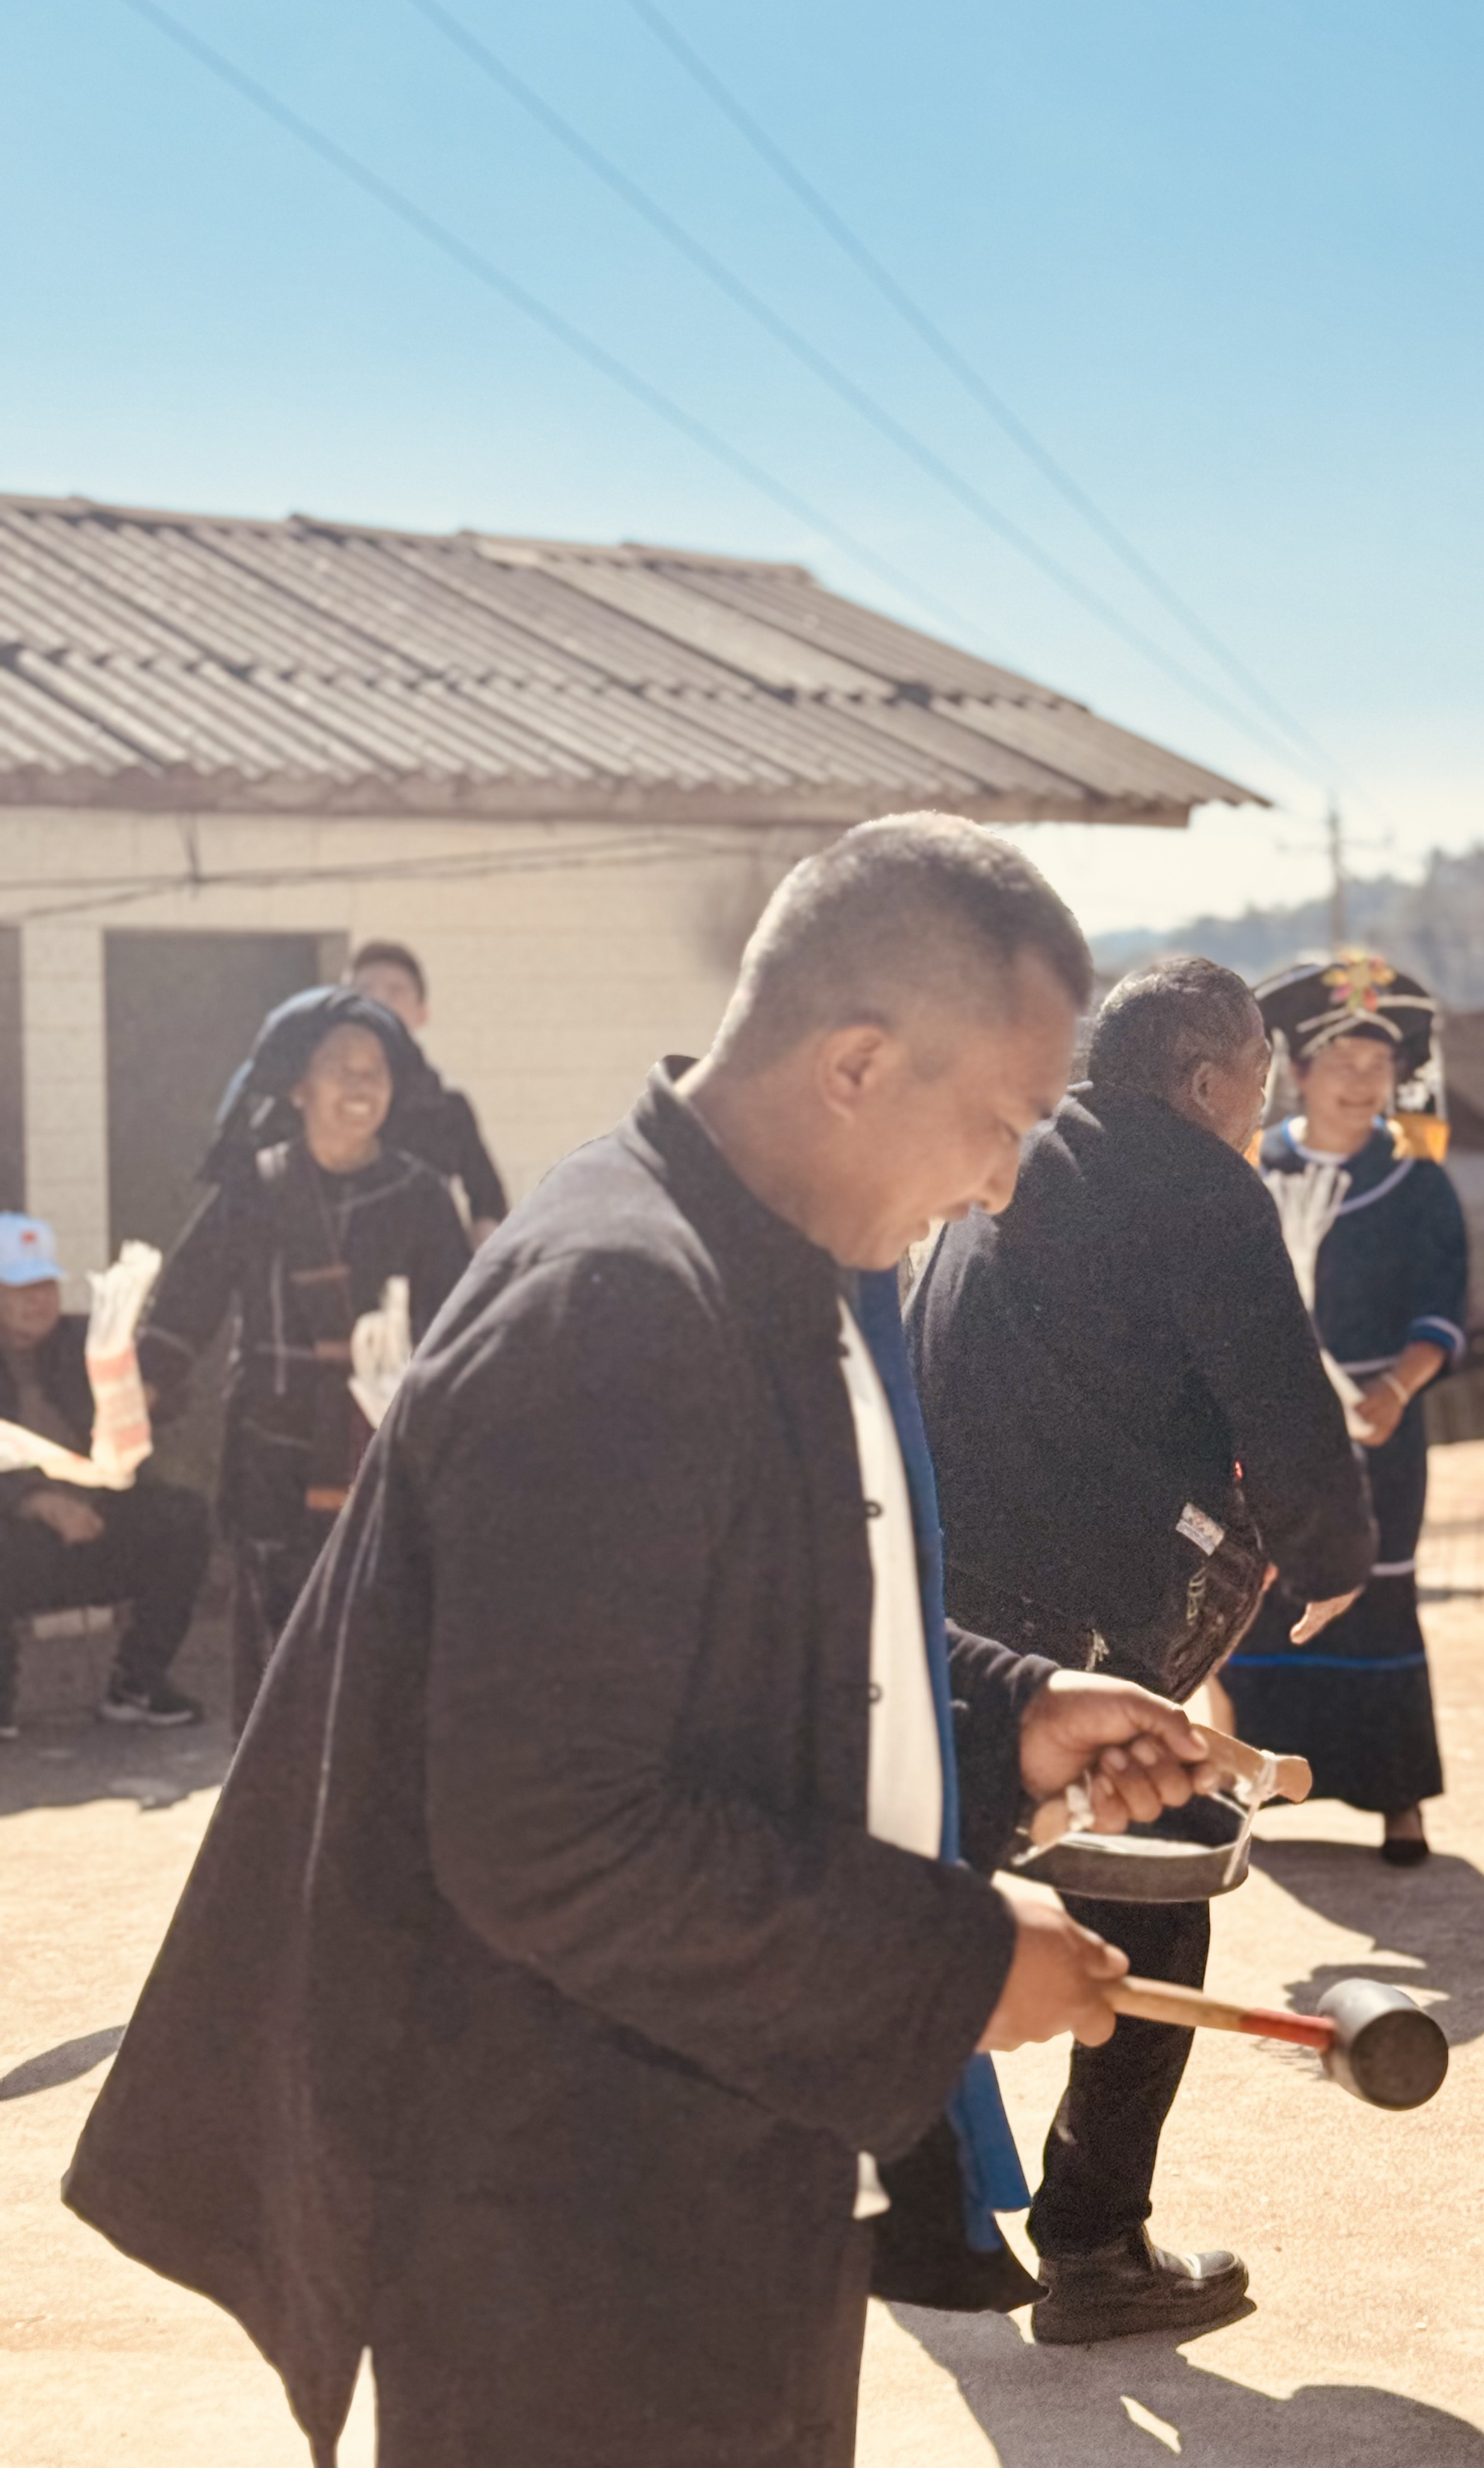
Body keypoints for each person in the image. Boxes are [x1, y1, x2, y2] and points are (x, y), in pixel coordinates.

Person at [66, 815, 1237, 2468]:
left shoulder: (755, 1266)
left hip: (700, 2158)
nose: (994, 1185)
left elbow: (748, 1641)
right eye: (999, 1124)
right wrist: (955, 1964)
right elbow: (554, 1839)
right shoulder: (620, 1305)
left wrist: (1010, 1718)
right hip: (566, 2222)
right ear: (855, 1064)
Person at [909, 952, 1374, 2344]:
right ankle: (1096, 2244)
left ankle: (930, 2220)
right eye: (1257, 1090)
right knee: (1157, 1895)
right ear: (1202, 1079)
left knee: (929, 1891)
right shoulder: (1194, 1176)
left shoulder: (1015, 1147)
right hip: (1077, 1608)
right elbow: (1280, 1389)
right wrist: (1332, 1554)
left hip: (940, 1607)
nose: (1257, 1118)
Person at [139, 987, 470, 1729]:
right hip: (271, 1461)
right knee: (274, 1663)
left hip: (380, 1462)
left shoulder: (420, 1199)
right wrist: (134, 1399)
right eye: (341, 1067)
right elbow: (184, 1305)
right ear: (298, 1085)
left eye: (376, 1070)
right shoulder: (252, 1190)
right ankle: (269, 1829)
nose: (361, 1084)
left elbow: (460, 1331)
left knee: (377, 1657)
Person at [1223, 952, 1468, 1868]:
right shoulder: (1249, 1168)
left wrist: (1397, 1387)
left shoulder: (1415, 1178)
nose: (1366, 1084)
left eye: (1380, 1066)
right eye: (1344, 1064)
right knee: (1255, 1595)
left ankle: (1397, 1798)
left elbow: (1443, 1306)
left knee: (1378, 1588)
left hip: (1379, 1423)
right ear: (1300, 1070)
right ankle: (1258, 1780)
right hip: (1270, 1422)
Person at [0, 1213, 208, 1736]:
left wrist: (149, 1394)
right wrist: (38, 1502)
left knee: (180, 1517)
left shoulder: (81, 1340)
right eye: (18, 1289)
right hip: (17, 1529)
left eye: (44, 1286)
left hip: (93, 1519)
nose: (36, 1301)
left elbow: (157, 1397)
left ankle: (137, 1681)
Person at [346, 940, 508, 1241]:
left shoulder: (449, 1110)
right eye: (364, 991)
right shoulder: (326, 1102)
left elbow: (489, 1201)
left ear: (422, 1013)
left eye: (395, 992)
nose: (379, 1002)